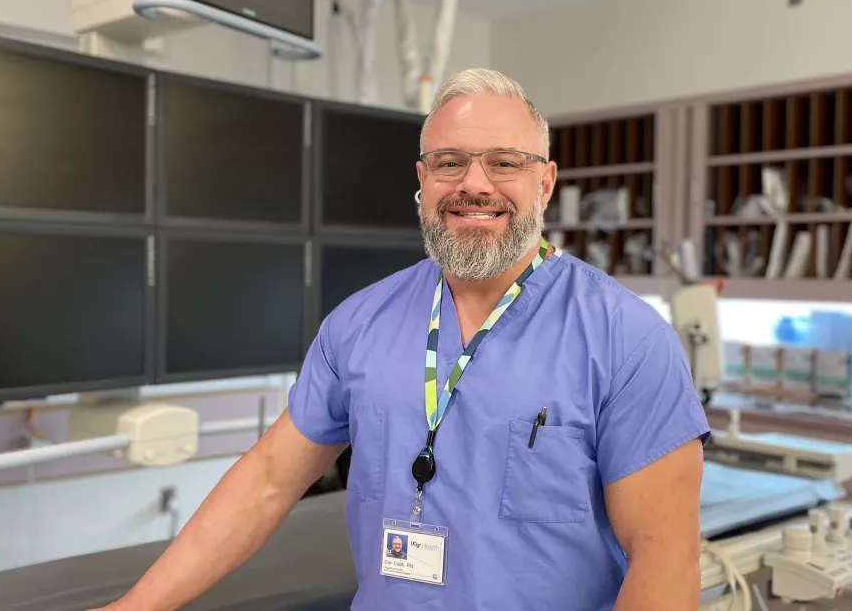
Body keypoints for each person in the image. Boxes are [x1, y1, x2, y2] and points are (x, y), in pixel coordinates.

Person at [96, 68, 709, 611]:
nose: (475, 184)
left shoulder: (625, 339)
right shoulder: (360, 323)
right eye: (450, 162)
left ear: (545, 183)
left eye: (504, 162)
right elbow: (267, 480)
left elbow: (663, 559)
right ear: (423, 180)